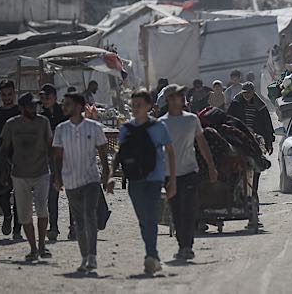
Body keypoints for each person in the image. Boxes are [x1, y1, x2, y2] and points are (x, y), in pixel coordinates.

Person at [106, 90, 177, 276]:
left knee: (151, 218)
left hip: (155, 179)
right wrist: (111, 176)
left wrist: (172, 180)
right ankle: (153, 256)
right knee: (143, 220)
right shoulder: (126, 129)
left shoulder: (159, 127)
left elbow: (170, 151)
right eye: (133, 105)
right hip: (134, 180)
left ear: (149, 106)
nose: (135, 108)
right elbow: (118, 154)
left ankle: (150, 256)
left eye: (139, 105)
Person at [52, 93, 110, 274]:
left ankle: (92, 255)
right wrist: (58, 177)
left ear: (78, 106)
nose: (64, 107)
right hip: (71, 182)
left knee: (89, 215)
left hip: (90, 179)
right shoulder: (61, 129)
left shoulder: (94, 127)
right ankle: (84, 256)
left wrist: (107, 174)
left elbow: (102, 152)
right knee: (79, 221)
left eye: (68, 104)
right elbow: (58, 156)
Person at [160, 85, 218, 260]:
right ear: (170, 100)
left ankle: (187, 246)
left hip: (189, 172)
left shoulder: (192, 120)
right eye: (178, 96)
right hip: (170, 175)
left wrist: (211, 166)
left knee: (189, 209)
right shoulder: (161, 123)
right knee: (176, 210)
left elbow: (201, 143)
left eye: (182, 96)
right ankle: (182, 245)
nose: (182, 99)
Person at [0, 93, 53, 261]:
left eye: (35, 106)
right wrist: (4, 171)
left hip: (41, 171)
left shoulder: (43, 122)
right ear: (22, 108)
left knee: (42, 208)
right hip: (19, 173)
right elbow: (3, 149)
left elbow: (50, 147)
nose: (34, 109)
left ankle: (42, 245)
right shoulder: (11, 124)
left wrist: (56, 171)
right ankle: (33, 247)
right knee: (24, 213)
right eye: (30, 106)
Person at [227, 81, 274, 228]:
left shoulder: (260, 106)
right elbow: (229, 120)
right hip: (239, 136)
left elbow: (267, 124)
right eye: (245, 92)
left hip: (256, 139)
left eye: (249, 92)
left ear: (253, 92)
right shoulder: (235, 104)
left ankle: (253, 204)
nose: (247, 95)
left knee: (254, 175)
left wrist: (269, 142)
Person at [0, 80, 21, 242]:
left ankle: (17, 229)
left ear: (14, 93)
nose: (7, 97)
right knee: (3, 193)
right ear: (0, 95)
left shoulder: (21, 112)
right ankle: (7, 215)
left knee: (21, 194)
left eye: (10, 94)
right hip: (2, 158)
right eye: (4, 94)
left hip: (21, 156)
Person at [39, 83, 68, 241]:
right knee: (52, 194)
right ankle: (54, 227)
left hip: (66, 156)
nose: (45, 100)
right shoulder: (41, 115)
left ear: (54, 97)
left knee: (71, 192)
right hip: (50, 157)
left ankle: (73, 226)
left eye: (47, 97)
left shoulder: (63, 111)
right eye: (42, 97)